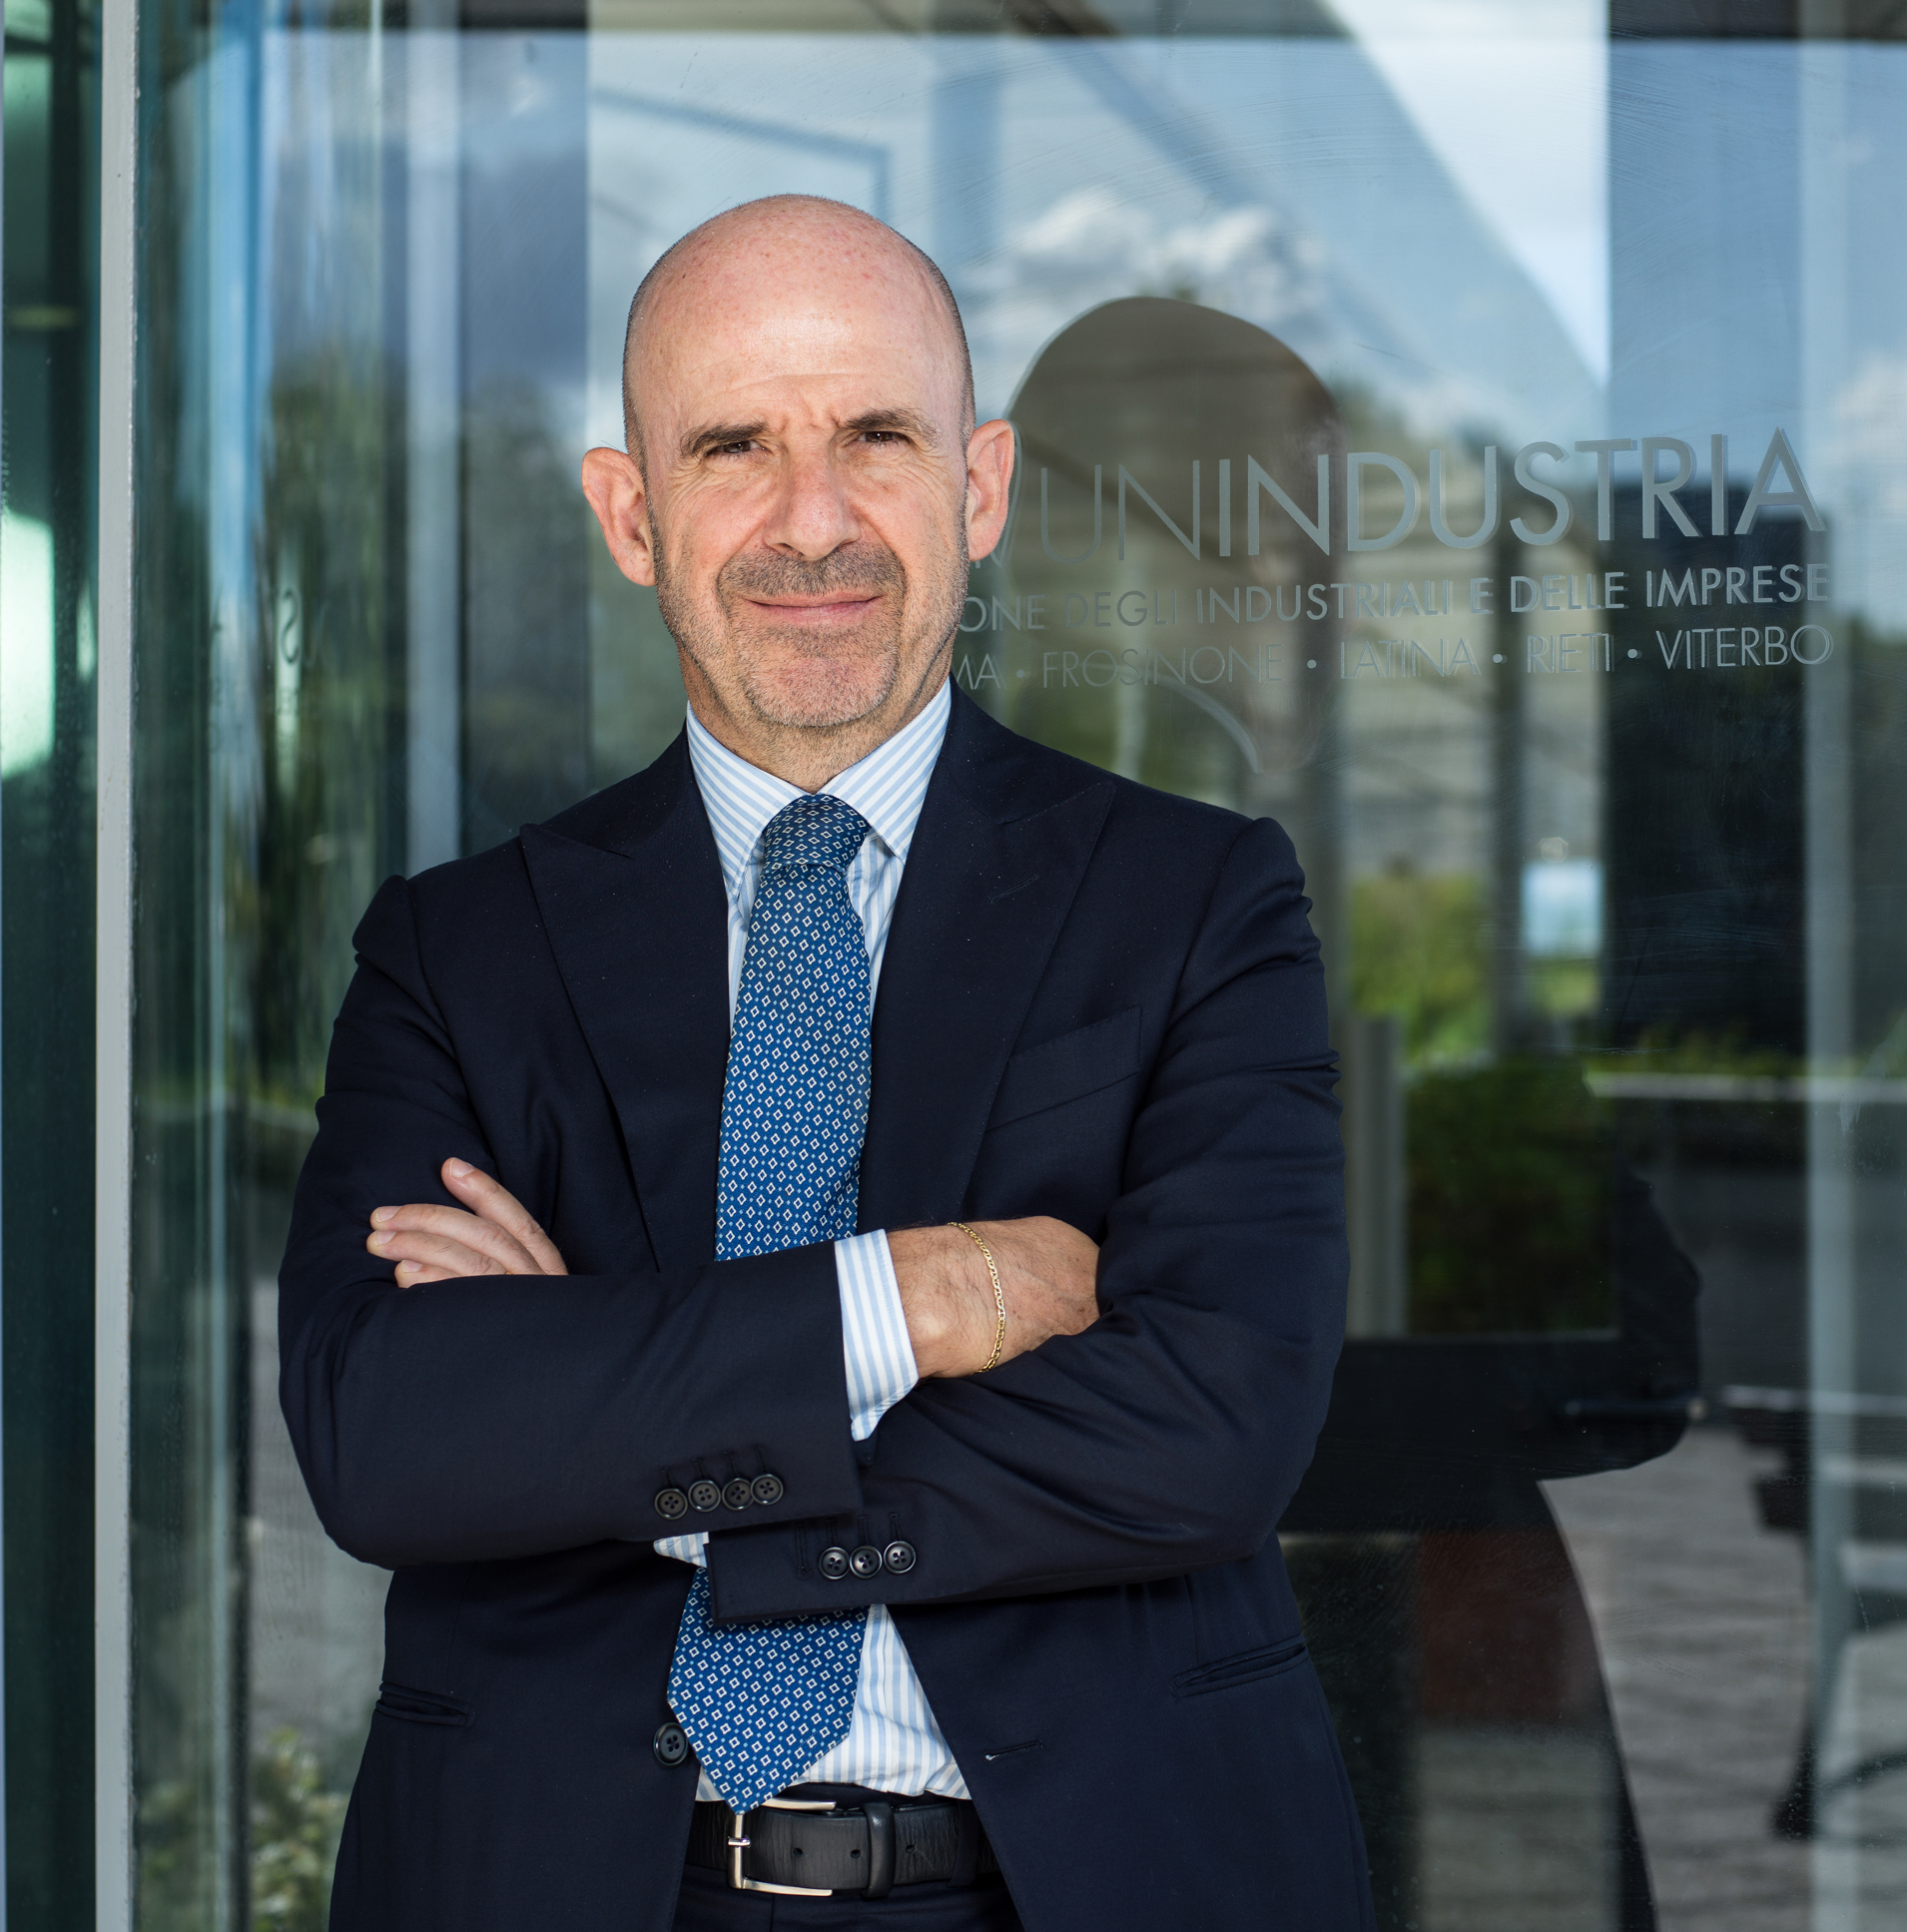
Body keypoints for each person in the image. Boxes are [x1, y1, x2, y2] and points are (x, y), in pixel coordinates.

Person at [277, 194, 1370, 1932]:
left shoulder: (1195, 902)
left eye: (876, 435)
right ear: (630, 515)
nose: (812, 520)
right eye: (733, 447)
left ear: (978, 488)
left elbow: (1214, 1426)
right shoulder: (456, 951)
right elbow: (388, 1438)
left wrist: (600, 1417)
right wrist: (904, 1303)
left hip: (1082, 1883)